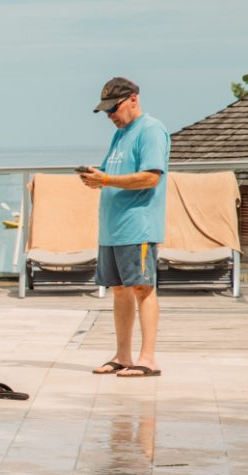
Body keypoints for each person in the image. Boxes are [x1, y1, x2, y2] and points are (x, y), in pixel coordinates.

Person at [80, 77, 169, 378]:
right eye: (106, 112)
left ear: (133, 99)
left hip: (138, 226)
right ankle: (123, 356)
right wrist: (96, 175)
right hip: (112, 228)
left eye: (113, 109)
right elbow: (112, 170)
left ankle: (148, 359)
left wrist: (106, 180)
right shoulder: (121, 133)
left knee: (143, 288)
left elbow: (150, 177)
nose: (110, 116)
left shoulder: (151, 130)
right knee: (119, 290)